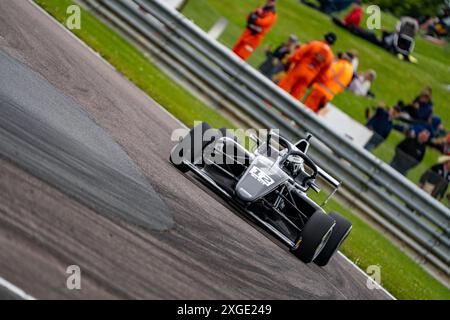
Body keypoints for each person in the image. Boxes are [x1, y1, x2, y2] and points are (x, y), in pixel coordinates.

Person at [278, 32, 336, 100]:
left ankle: (268, 103)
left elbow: (299, 53)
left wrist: (289, 62)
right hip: (310, 76)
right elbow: (323, 74)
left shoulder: (314, 44)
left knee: (283, 87)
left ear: (324, 37)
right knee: (295, 97)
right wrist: (313, 81)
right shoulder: (330, 56)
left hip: (299, 69)